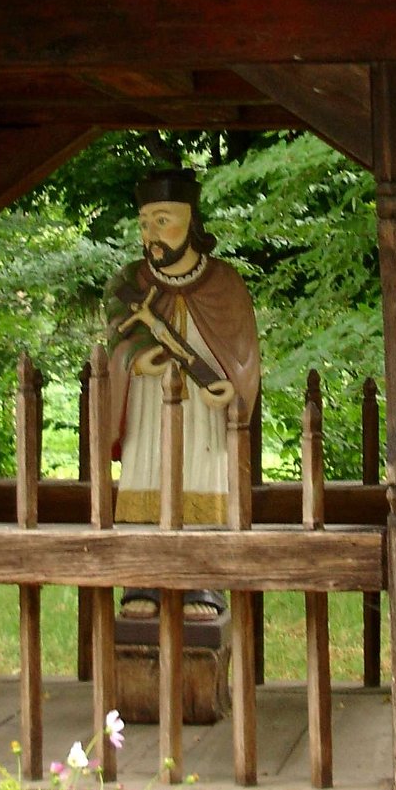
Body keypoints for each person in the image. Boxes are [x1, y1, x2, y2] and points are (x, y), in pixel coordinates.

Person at [103, 169, 260, 621]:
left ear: (191, 222)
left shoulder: (224, 282)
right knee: (145, 474)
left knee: (203, 475)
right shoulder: (130, 282)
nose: (152, 234)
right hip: (148, 403)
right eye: (145, 222)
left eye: (163, 219)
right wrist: (134, 360)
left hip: (204, 411)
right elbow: (116, 335)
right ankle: (142, 577)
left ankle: (203, 579)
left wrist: (233, 386)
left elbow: (244, 351)